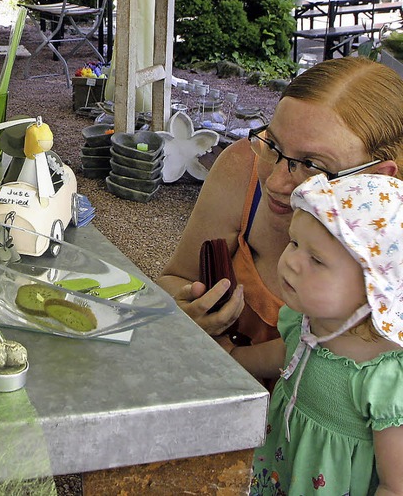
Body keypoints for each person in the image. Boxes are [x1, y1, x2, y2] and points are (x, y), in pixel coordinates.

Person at [157, 56, 403, 346]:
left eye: (312, 164)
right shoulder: (243, 167)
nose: (274, 182)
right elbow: (172, 279)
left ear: (379, 178)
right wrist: (185, 311)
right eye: (272, 145)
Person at [241, 173, 403, 494]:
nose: (292, 262)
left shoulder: (385, 379)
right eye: (294, 243)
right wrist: (234, 359)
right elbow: (284, 354)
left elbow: (395, 484)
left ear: (375, 289)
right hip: (280, 469)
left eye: (316, 259)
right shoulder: (307, 322)